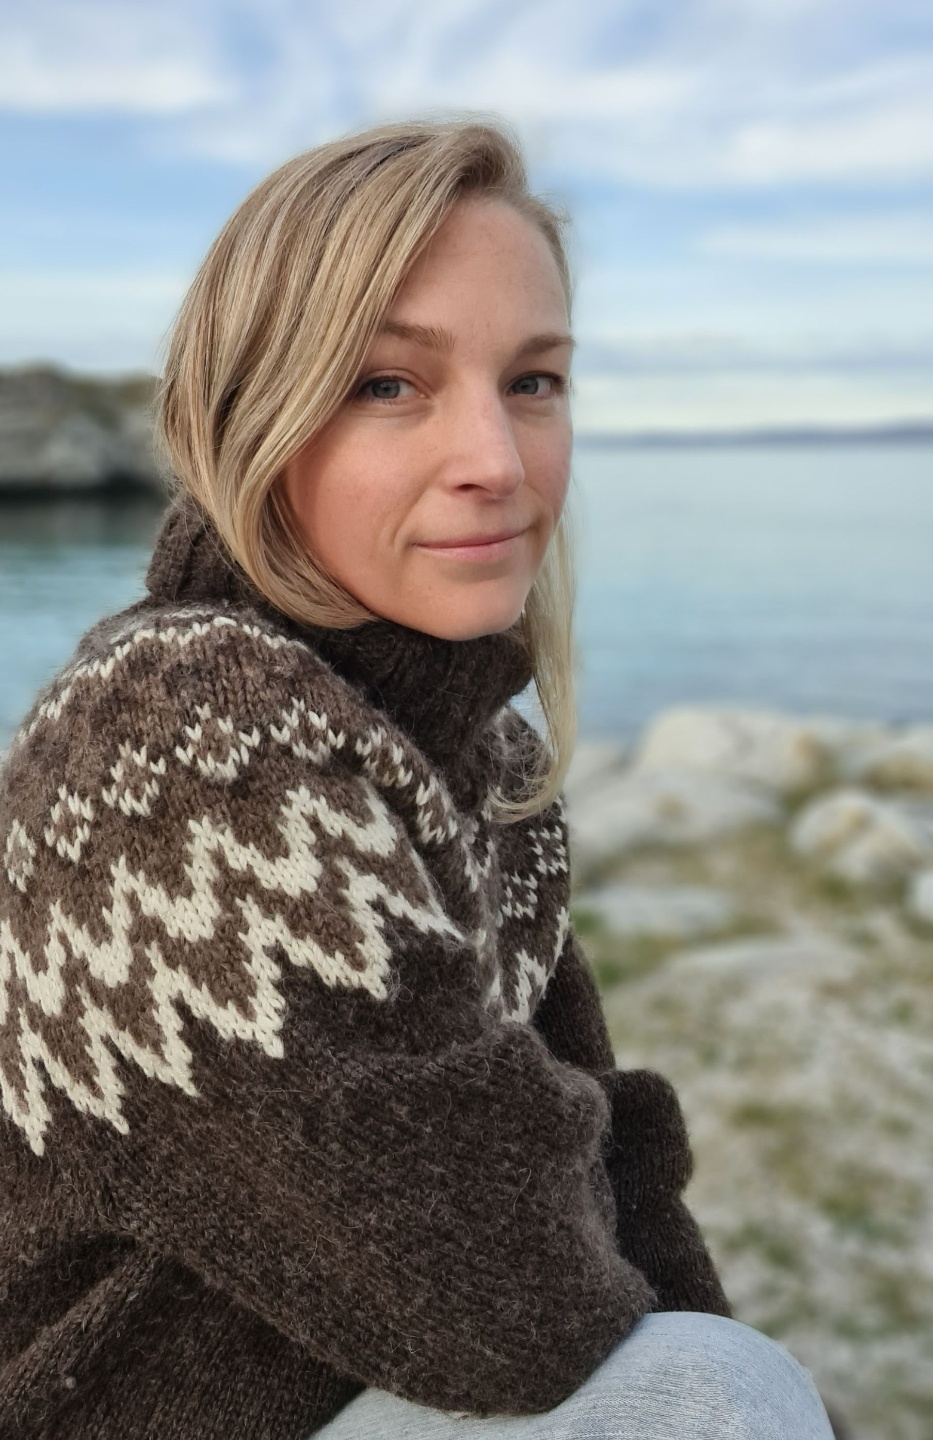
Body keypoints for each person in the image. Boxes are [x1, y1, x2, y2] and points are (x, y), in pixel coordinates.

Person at [0, 115, 839, 1440]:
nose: (497, 462)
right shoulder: (180, 738)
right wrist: (554, 1161)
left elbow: (612, 1170)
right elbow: (511, 1306)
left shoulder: (480, 757)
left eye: (534, 381)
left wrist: (550, 1149)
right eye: (390, 384)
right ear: (254, 414)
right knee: (706, 1391)